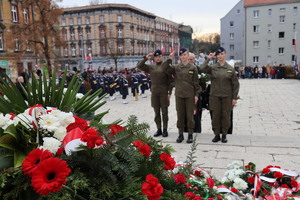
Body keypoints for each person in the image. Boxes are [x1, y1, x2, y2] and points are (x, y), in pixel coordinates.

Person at [200, 47, 239, 143]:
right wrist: (208, 58)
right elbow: (202, 68)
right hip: (215, 97)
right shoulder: (213, 67)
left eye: (222, 54)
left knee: (226, 116)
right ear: (216, 56)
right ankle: (216, 134)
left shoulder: (230, 69)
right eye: (218, 54)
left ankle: (224, 135)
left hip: (227, 97)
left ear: (225, 54)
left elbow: (235, 84)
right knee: (215, 116)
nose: (220, 56)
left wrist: (234, 97)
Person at [162, 48, 201, 143]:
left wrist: (196, 95)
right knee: (180, 115)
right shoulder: (175, 67)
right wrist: (169, 59)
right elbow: (164, 68)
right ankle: (180, 134)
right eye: (181, 55)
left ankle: (190, 134)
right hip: (179, 95)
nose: (183, 57)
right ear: (179, 56)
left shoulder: (193, 68)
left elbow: (196, 83)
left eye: (185, 55)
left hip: (190, 95)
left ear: (188, 56)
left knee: (190, 116)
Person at [136, 49, 174, 137]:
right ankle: (159, 129)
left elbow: (171, 81)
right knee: (156, 112)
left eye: (159, 56)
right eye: (156, 57)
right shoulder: (151, 67)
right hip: (154, 93)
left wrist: (169, 92)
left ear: (162, 57)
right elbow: (139, 66)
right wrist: (146, 58)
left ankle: (165, 129)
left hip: (164, 92)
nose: (157, 58)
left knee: (164, 112)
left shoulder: (167, 66)